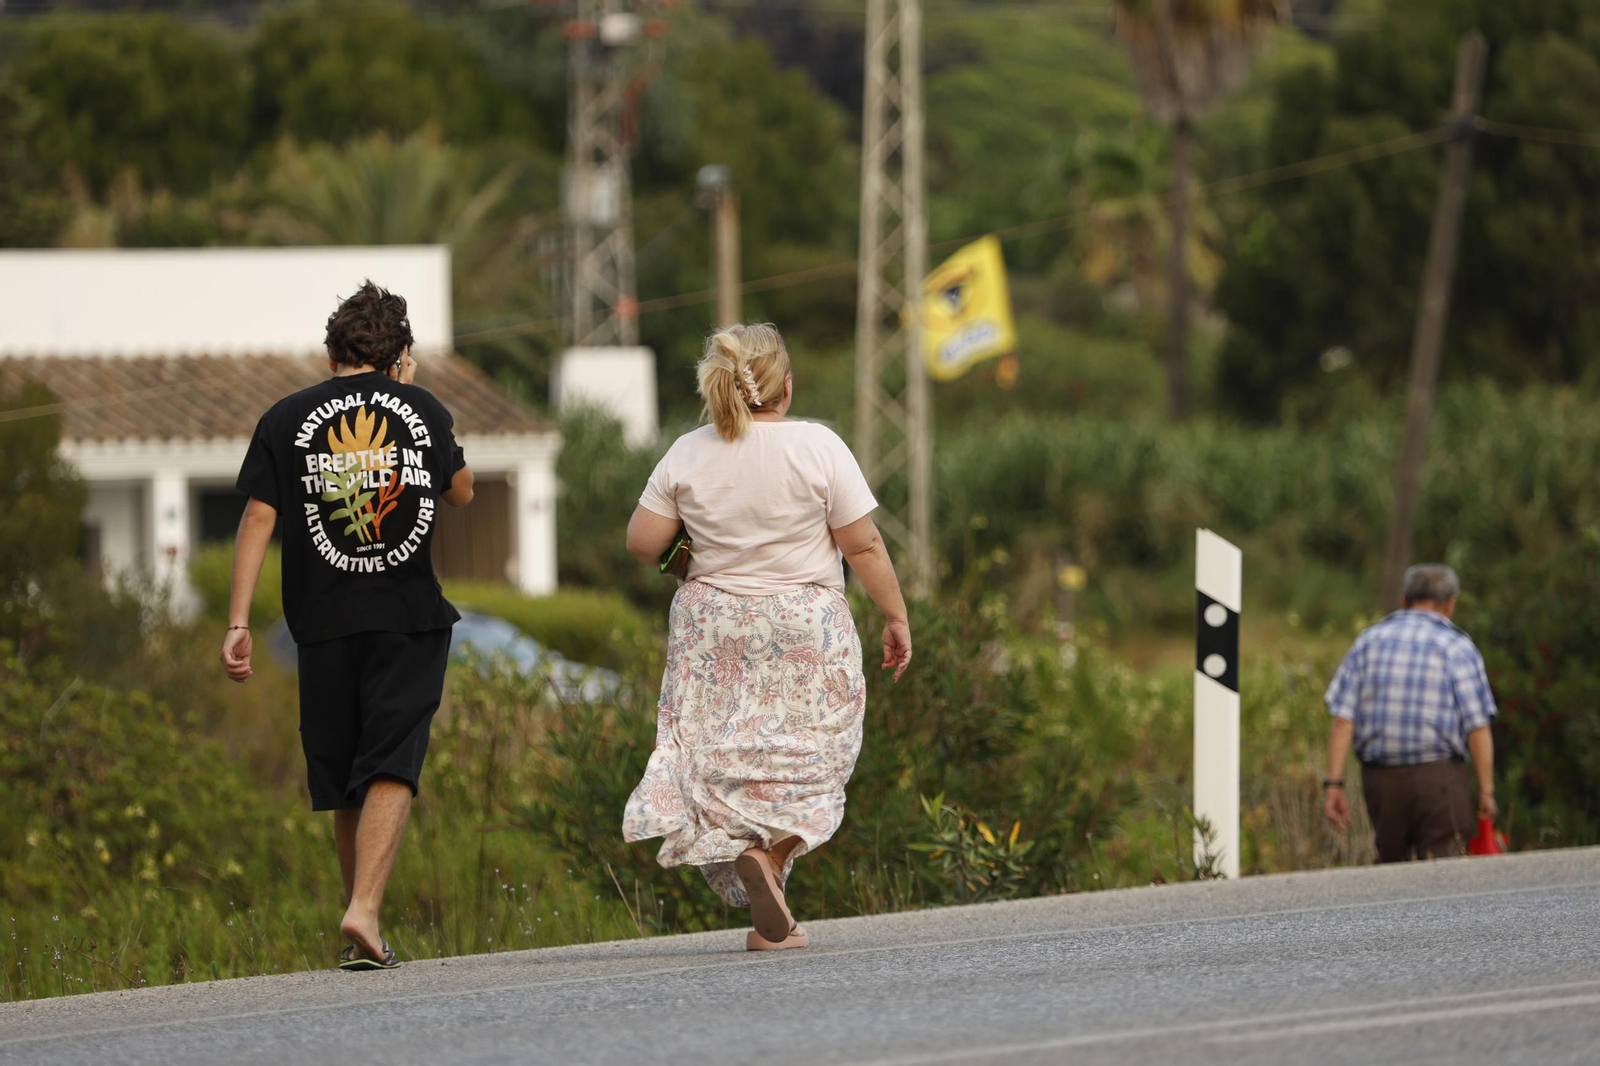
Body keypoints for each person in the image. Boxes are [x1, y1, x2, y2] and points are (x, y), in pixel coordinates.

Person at [621, 322, 913, 951]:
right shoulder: (819, 446)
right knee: (814, 754)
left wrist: (690, 566)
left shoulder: (688, 451)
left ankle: (766, 876)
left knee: (724, 751)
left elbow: (643, 543)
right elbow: (861, 543)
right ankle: (775, 853)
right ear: (787, 385)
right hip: (804, 623)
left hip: (712, 624)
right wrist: (895, 614)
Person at [219, 281, 475, 970]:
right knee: (391, 759)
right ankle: (363, 909)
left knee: (342, 772)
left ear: (330, 348)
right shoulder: (422, 407)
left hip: (320, 621)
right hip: (405, 615)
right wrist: (410, 395)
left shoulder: (283, 416)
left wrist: (239, 620)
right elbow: (461, 490)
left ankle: (360, 922)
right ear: (399, 353)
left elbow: (258, 518)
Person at [1322, 563, 1497, 862]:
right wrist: (1486, 791)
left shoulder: (1367, 642)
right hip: (1439, 779)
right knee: (1444, 868)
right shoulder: (1456, 646)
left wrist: (1334, 785)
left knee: (1391, 868)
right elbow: (1477, 726)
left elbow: (1343, 719)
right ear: (1450, 604)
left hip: (1381, 781)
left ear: (1404, 600)